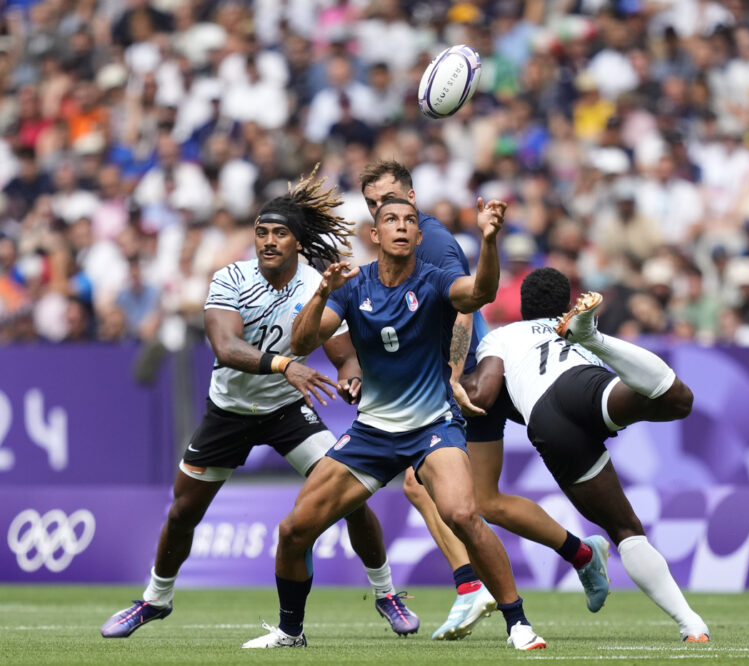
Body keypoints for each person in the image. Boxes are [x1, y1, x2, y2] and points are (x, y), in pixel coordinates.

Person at [100, 169, 417, 638]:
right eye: (261, 232)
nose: (268, 241)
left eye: (279, 233)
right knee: (182, 512)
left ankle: (386, 593)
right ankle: (155, 600)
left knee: (348, 495)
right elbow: (226, 348)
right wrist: (285, 365)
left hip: (287, 412)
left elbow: (344, 354)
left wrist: (351, 379)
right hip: (227, 411)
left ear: (297, 242)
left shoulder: (316, 284)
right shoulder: (230, 278)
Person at [242, 197, 546, 650]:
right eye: (390, 220)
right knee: (293, 530)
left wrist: (489, 240)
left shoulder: (435, 280)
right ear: (375, 235)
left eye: (408, 221)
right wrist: (323, 291)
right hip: (372, 431)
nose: (401, 227)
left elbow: (479, 293)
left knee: (463, 513)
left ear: (418, 237)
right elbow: (303, 340)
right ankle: (290, 632)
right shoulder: (352, 286)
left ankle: (518, 623)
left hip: (432, 426)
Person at [358, 160, 608, 640]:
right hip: (459, 376)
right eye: (372, 204)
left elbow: (465, 306)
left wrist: (454, 375)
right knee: (484, 500)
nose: (382, 209)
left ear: (411, 197)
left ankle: (471, 585)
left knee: (417, 482)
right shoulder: (397, 242)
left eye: (389, 199)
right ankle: (582, 553)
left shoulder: (428, 240)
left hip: (466, 377)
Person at [460, 268, 711, 643]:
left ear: (522, 306)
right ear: (565, 304)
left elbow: (481, 396)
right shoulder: (563, 331)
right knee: (679, 400)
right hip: (585, 387)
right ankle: (595, 337)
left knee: (625, 529)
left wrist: (446, 385)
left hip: (548, 420)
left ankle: (692, 624)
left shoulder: (503, 335)